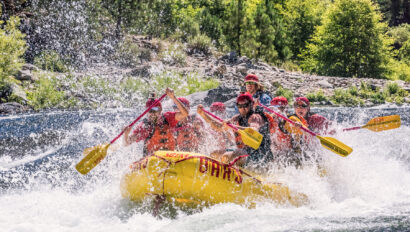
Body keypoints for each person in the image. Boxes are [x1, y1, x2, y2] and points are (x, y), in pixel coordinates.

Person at [197, 92, 273, 168]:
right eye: (240, 106)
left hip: (260, 156)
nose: (243, 108)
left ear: (251, 104)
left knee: (227, 156)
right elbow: (219, 127)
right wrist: (203, 115)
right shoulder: (237, 118)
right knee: (215, 153)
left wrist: (232, 126)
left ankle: (230, 174)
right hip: (244, 152)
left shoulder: (255, 117)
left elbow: (253, 130)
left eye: (245, 105)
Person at [123, 88, 189, 156]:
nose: (152, 113)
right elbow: (127, 143)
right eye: (149, 110)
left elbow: (185, 114)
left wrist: (173, 98)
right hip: (153, 160)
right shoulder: (144, 127)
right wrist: (126, 134)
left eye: (155, 110)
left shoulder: (168, 118)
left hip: (171, 156)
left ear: (160, 110)